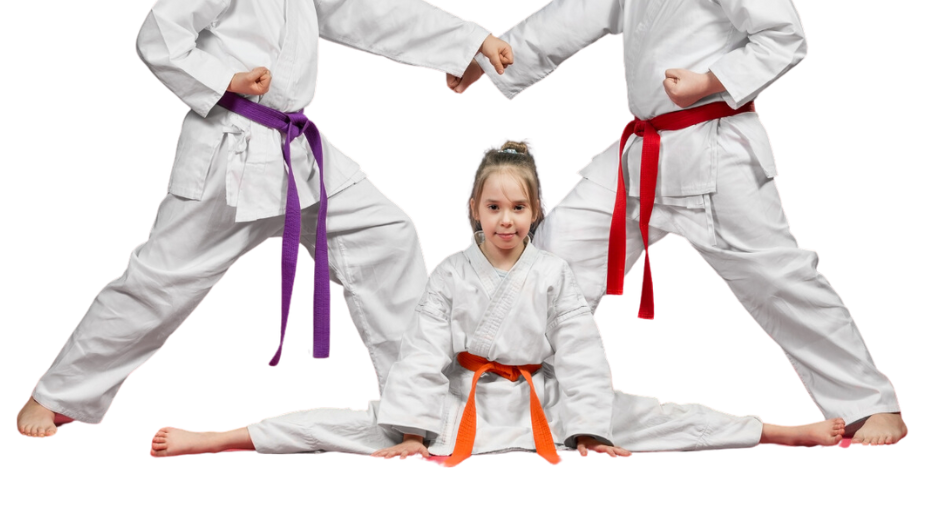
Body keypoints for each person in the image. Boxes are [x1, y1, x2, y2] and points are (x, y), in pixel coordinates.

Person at [16, 0, 513, 440]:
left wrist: (467, 41)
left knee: (388, 237)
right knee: (161, 280)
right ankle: (57, 393)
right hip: (232, 151)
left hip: (299, 150)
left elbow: (372, 6)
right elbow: (157, 38)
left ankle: (417, 405)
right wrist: (224, 77)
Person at [448, 0, 908, 447]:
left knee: (779, 279)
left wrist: (711, 81)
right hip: (640, 155)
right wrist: (492, 60)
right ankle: (529, 396)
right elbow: (566, 17)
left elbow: (786, 37)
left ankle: (871, 403)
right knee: (553, 254)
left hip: (714, 149)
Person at [149, 139, 845, 461]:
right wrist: (415, 429)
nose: (507, 219)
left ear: (536, 211)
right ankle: (211, 440)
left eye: (519, 207)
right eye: (495, 207)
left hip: (543, 404)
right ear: (474, 212)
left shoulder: (553, 275)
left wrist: (593, 425)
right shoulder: (451, 274)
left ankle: (793, 432)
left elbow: (581, 350)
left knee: (664, 419)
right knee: (344, 427)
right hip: (459, 404)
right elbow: (422, 352)